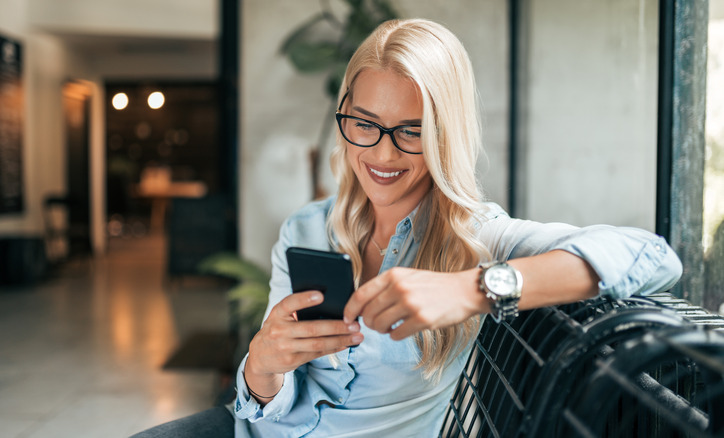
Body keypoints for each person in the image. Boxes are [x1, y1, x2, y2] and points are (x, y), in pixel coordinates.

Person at [132, 18, 682, 438]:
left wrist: (473, 287)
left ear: (447, 135)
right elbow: (265, 403)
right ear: (344, 116)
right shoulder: (303, 231)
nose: (383, 153)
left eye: (411, 132)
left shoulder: (477, 239)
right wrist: (261, 367)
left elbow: (652, 257)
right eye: (365, 124)